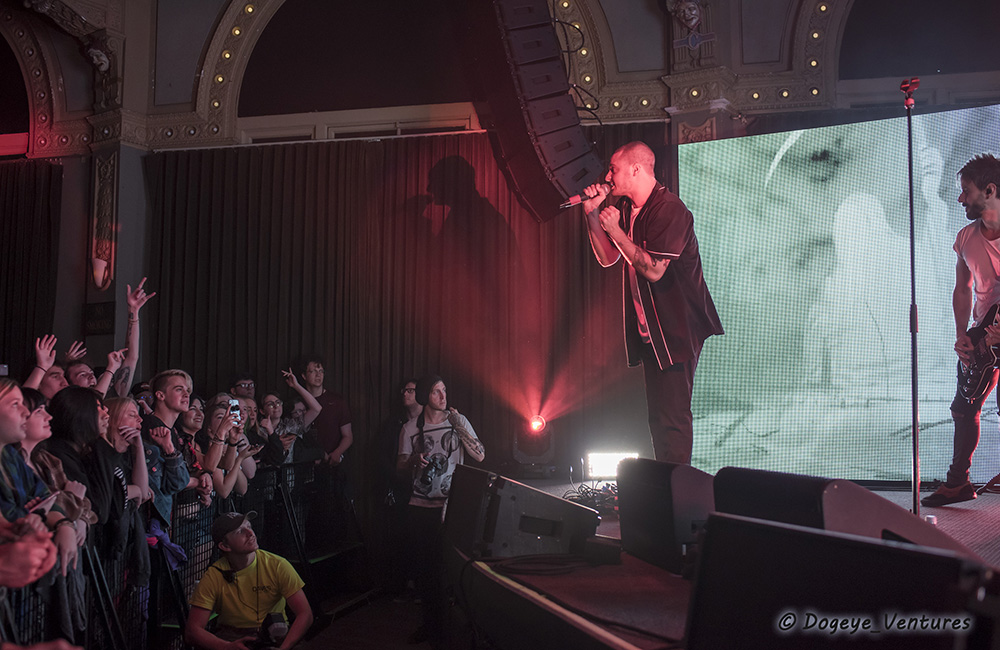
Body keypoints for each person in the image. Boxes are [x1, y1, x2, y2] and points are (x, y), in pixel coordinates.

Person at [580, 141, 723, 464]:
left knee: (672, 417)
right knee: (658, 418)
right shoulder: (631, 210)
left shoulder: (670, 209)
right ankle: (666, 487)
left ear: (636, 169)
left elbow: (655, 269)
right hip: (652, 333)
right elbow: (607, 259)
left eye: (613, 169)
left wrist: (615, 230)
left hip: (676, 328)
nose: (608, 176)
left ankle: (679, 494)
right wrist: (591, 214)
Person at [923, 153, 1000, 507]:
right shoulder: (966, 237)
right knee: (963, 407)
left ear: (989, 190)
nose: (959, 199)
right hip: (983, 330)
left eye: (965, 191)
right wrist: (962, 335)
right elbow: (962, 288)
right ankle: (958, 483)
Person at [397, 374, 484, 643]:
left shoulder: (457, 421)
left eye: (444, 390)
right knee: (425, 572)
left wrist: (459, 425)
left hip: (451, 507)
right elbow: (399, 466)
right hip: (420, 506)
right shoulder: (411, 427)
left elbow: (480, 454)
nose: (443, 396)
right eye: (436, 392)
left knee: (451, 570)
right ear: (425, 396)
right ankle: (432, 626)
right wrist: (414, 461)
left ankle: (456, 629)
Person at [186, 511, 313, 650]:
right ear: (224, 546)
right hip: (232, 635)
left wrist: (284, 648)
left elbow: (305, 613)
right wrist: (227, 647)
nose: (251, 533)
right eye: (240, 531)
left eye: (249, 526)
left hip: (275, 633)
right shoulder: (214, 575)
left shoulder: (277, 565)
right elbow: (192, 630)